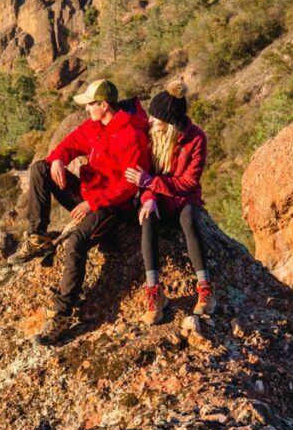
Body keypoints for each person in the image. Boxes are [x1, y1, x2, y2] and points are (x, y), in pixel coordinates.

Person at [15, 78, 149, 346]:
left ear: (103, 104)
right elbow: (69, 144)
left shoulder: (131, 136)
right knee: (40, 169)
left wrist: (93, 203)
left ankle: (62, 314)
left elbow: (129, 185)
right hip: (90, 196)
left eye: (90, 105)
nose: (86, 110)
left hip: (113, 207)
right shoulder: (95, 126)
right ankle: (37, 236)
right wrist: (57, 160)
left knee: (76, 243)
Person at [125, 79, 214, 326]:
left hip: (185, 199)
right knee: (147, 220)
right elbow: (144, 178)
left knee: (189, 221)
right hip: (159, 200)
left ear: (170, 122)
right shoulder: (150, 136)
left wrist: (151, 183)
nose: (150, 120)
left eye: (155, 117)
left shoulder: (196, 139)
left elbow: (188, 182)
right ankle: (155, 293)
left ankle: (205, 289)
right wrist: (150, 197)